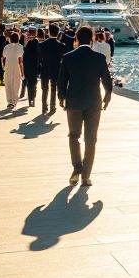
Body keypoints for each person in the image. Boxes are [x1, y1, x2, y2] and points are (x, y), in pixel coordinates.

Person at [58, 26, 113, 187]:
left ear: (76, 39)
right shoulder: (99, 58)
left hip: (73, 102)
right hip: (93, 103)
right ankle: (86, 176)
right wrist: (106, 98)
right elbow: (107, 82)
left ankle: (77, 166)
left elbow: (62, 81)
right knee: (91, 139)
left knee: (73, 136)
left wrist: (61, 98)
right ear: (92, 40)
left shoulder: (67, 57)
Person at [39, 24, 65, 115]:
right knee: (53, 88)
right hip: (56, 69)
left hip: (45, 68)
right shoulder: (61, 45)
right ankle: (52, 107)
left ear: (49, 32)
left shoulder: (41, 44)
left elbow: (39, 58)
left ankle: (44, 107)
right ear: (57, 33)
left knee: (44, 88)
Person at [2, 30, 24, 109]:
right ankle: (14, 101)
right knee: (16, 85)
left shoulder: (6, 47)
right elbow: (21, 61)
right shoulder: (20, 47)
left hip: (8, 67)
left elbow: (3, 56)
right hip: (16, 67)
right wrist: (22, 72)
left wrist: (3, 66)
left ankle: (10, 101)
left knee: (8, 84)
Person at [22, 28, 41, 108]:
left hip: (28, 66)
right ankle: (32, 98)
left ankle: (30, 99)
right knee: (33, 83)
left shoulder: (28, 43)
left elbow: (24, 55)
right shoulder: (37, 43)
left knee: (29, 84)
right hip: (35, 66)